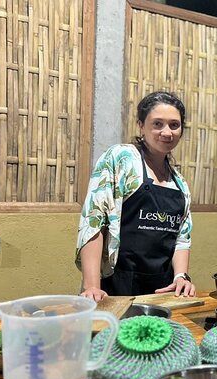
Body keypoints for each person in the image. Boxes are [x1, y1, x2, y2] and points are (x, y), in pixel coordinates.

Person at [76, 91, 196, 301]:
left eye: (174, 125)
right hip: (115, 285)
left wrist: (180, 277)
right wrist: (92, 286)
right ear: (141, 125)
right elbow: (95, 221)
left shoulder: (180, 182)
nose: (166, 132)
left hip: (161, 292)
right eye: (157, 123)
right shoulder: (121, 159)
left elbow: (181, 238)